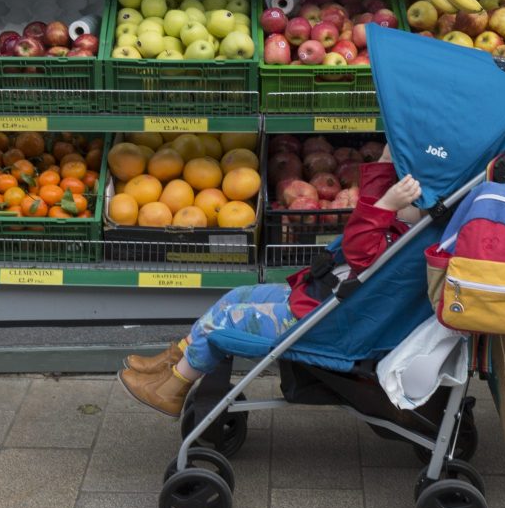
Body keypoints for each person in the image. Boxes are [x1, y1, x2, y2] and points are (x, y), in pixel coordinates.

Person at [119, 145, 422, 417]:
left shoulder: (403, 240)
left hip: (324, 321)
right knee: (237, 295)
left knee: (224, 320)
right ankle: (174, 361)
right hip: (323, 302)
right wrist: (384, 165)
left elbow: (359, 249)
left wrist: (384, 206)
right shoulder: (410, 228)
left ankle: (173, 387)